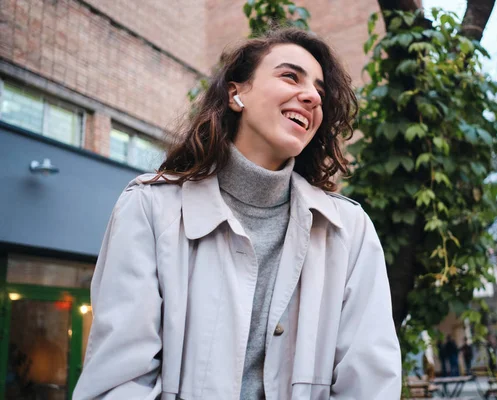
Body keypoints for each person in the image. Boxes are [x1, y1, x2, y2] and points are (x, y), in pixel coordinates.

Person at [73, 28, 402, 399]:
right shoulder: (151, 208)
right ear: (236, 93)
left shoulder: (350, 229)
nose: (311, 96)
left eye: (320, 93)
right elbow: (119, 383)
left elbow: (370, 384)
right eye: (290, 76)